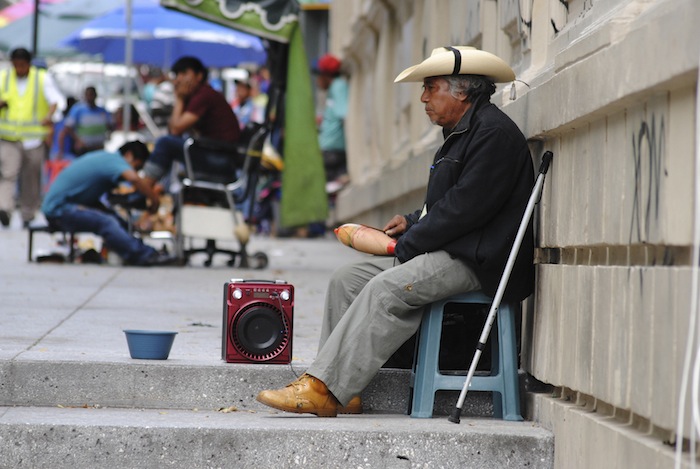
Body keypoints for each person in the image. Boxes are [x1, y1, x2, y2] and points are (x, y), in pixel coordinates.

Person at [255, 46, 535, 417]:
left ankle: (322, 389)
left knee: (387, 288)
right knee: (347, 279)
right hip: (454, 249)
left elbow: (463, 212)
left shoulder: (493, 134)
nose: (423, 98)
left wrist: (404, 244)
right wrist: (412, 221)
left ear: (461, 91)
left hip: (479, 261)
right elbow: (446, 206)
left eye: (430, 87)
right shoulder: (462, 132)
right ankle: (346, 389)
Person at [41, 141, 176, 266]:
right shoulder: (114, 160)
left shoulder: (105, 159)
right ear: (128, 155)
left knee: (115, 219)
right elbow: (134, 178)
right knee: (106, 222)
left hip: (66, 207)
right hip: (58, 211)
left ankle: (144, 250)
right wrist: (154, 199)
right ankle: (144, 255)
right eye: (137, 166)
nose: (135, 170)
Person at [142, 56, 241, 189]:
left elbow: (175, 130)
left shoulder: (204, 95)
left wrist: (179, 98)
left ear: (199, 76)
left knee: (165, 143)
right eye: (177, 75)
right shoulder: (200, 95)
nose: (178, 80)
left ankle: (144, 187)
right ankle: (157, 188)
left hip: (220, 159)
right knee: (169, 143)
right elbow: (174, 131)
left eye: (184, 74)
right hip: (219, 155)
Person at [0, 47, 63, 228]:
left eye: (22, 65)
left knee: (31, 178)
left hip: (33, 140)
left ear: (28, 64)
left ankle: (28, 214)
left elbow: (55, 101)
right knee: (7, 173)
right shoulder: (4, 77)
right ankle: (4, 208)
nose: (19, 69)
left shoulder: (41, 78)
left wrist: (49, 116)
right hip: (8, 137)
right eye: (15, 65)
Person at [313, 53, 349, 186]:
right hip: (328, 149)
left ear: (326, 75)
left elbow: (344, 115)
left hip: (333, 150)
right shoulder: (333, 89)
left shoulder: (339, 87)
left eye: (319, 76)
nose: (317, 80)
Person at [57, 86, 113, 158]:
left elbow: (111, 125)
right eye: (88, 95)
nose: (90, 97)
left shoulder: (102, 111)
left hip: (98, 147)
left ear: (95, 95)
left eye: (91, 95)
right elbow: (68, 127)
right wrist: (78, 141)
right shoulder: (78, 109)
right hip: (84, 148)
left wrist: (108, 135)